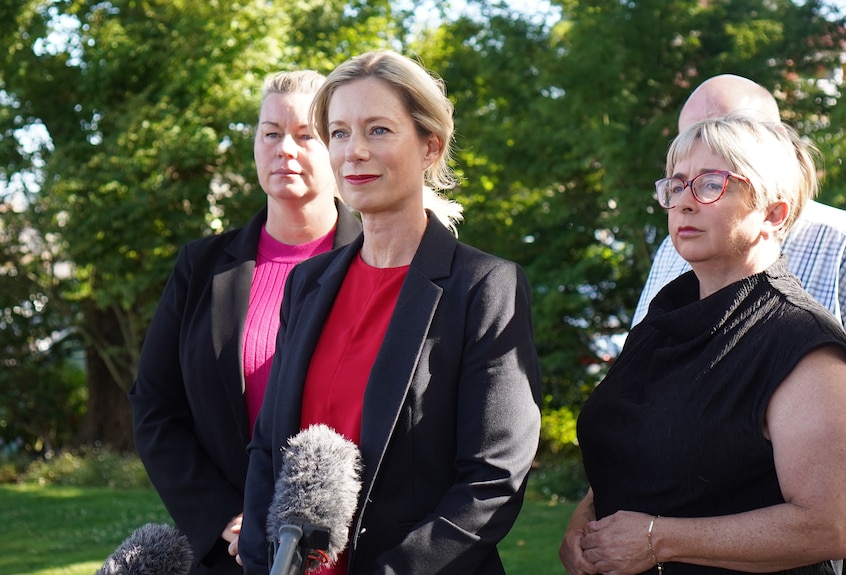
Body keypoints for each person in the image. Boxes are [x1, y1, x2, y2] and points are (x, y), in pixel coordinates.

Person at [238, 50, 542, 575]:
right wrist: (259, 560)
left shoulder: (484, 286)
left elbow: (492, 480)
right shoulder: (306, 284)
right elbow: (269, 449)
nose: (355, 151)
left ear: (431, 146)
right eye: (339, 133)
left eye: (378, 130)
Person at [560, 114, 846, 575]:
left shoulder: (802, 344)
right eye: (676, 186)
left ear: (774, 213)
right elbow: (641, 448)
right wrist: (582, 522)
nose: (684, 204)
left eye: (711, 184)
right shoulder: (661, 322)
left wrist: (659, 539)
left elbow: (828, 525)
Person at [129, 70, 362, 574]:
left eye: (306, 135)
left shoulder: (377, 262)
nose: (285, 149)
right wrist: (224, 515)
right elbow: (154, 407)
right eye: (270, 133)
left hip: (352, 547)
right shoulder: (202, 267)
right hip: (231, 552)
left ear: (337, 147)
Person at [632, 75, 846, 330]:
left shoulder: (838, 243)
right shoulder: (673, 246)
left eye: (732, 130)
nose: (686, 202)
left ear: (777, 143)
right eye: (691, 136)